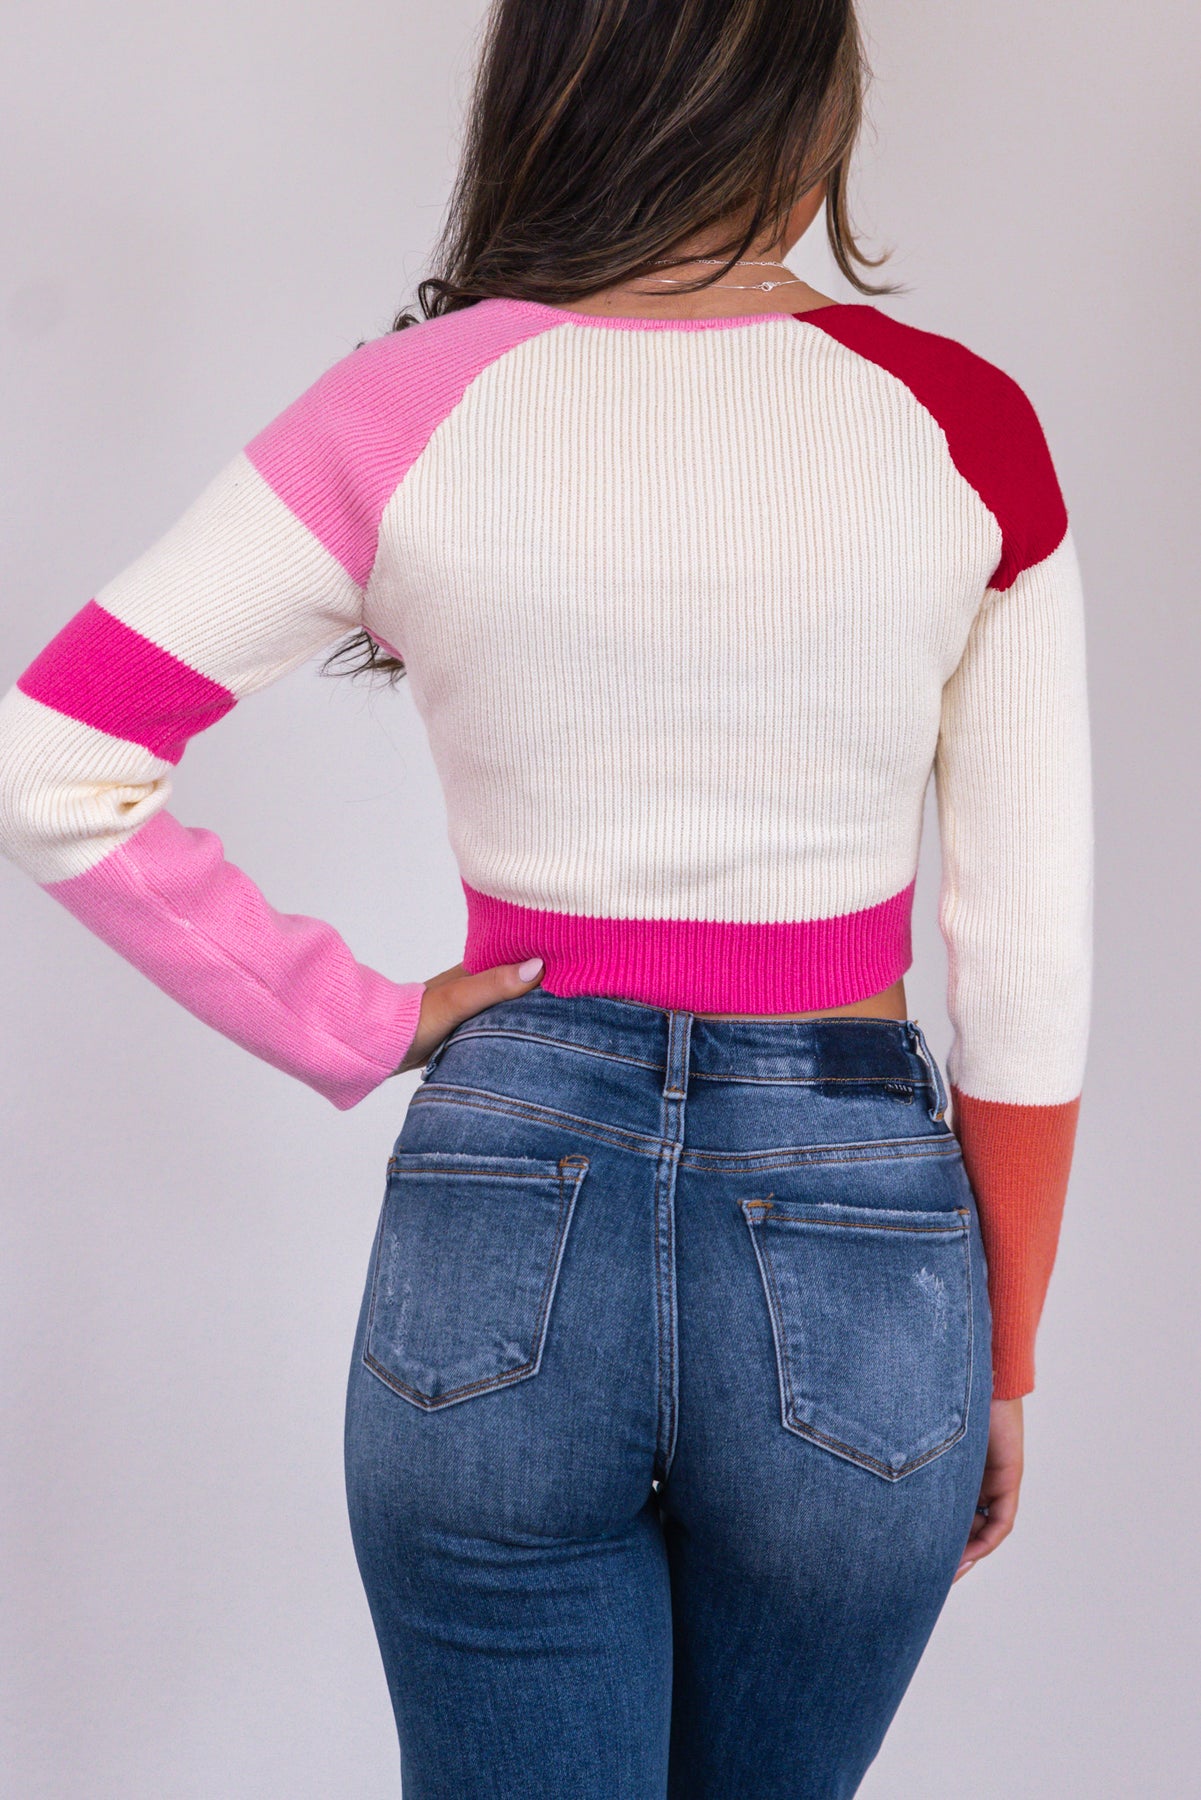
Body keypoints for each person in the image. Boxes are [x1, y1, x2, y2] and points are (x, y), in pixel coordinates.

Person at [0, 0, 1092, 1793]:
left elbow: (51, 761)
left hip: (506, 1193)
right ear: (812, 116)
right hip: (858, 1242)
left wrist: (359, 1019)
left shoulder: (407, 407)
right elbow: (1025, 957)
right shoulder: (961, 423)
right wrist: (1005, 1346)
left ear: (551, 96)